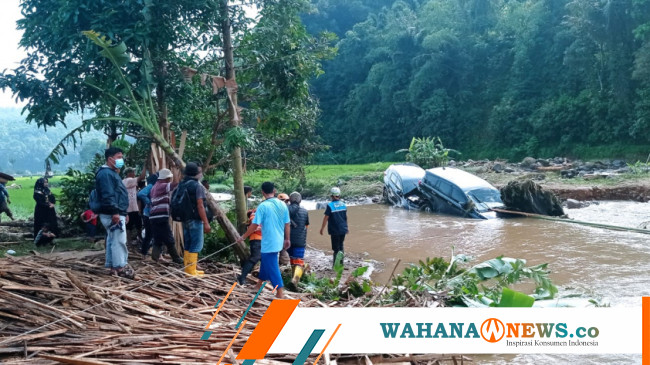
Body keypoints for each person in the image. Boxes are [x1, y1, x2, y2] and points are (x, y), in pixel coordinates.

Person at [237, 181, 290, 299]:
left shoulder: (263, 206)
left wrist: (243, 236)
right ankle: (258, 285)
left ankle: (280, 292)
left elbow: (254, 225)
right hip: (279, 240)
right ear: (274, 191)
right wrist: (287, 239)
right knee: (266, 264)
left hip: (268, 242)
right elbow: (287, 223)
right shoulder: (283, 204)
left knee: (272, 267)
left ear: (262, 192)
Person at [96, 147, 133, 279]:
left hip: (115, 212)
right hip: (112, 213)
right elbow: (109, 195)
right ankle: (120, 266)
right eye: (118, 157)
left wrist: (123, 212)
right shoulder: (106, 174)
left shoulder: (110, 173)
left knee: (113, 240)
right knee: (119, 240)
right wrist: (115, 212)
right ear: (110, 159)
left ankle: (113, 267)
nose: (121, 160)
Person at [178, 162, 211, 276]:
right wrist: (206, 222)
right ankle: (191, 271)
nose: (201, 174)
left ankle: (188, 269)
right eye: (200, 172)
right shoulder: (197, 186)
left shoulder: (182, 184)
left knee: (188, 243)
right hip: (195, 219)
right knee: (196, 244)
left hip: (184, 218)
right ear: (196, 173)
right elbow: (200, 205)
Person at [149, 168, 184, 264]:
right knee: (169, 237)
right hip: (160, 216)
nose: (170, 180)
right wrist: (175, 170)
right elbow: (175, 184)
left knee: (158, 238)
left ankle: (155, 256)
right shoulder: (162, 186)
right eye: (169, 178)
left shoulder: (154, 187)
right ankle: (176, 258)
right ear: (166, 178)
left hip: (153, 216)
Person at [320, 187, 349, 267]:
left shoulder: (330, 206)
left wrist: (322, 229)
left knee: (336, 248)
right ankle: (341, 263)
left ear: (332, 196)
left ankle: (335, 265)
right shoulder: (343, 205)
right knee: (341, 245)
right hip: (343, 229)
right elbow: (345, 217)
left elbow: (326, 218)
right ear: (339, 195)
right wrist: (347, 228)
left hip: (335, 230)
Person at [237, 207, 262, 285]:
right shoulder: (254, 217)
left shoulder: (256, 216)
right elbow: (254, 227)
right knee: (254, 258)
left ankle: (262, 279)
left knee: (262, 259)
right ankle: (242, 277)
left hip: (261, 240)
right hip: (256, 240)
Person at [288, 192, 309, 284]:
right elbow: (306, 225)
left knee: (292, 259)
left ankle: (293, 276)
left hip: (288, 240)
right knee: (299, 261)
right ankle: (295, 279)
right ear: (300, 200)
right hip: (300, 240)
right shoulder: (304, 211)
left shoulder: (286, 210)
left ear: (290, 200)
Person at [137, 173, 159, 258]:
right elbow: (140, 194)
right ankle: (150, 254)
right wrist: (149, 202)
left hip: (148, 214)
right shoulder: (151, 186)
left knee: (149, 235)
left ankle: (144, 253)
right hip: (150, 214)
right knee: (152, 235)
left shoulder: (154, 185)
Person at [122, 167, 146, 244]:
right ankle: (139, 239)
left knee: (128, 226)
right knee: (138, 224)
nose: (134, 174)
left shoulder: (123, 181)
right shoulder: (129, 180)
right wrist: (145, 166)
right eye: (133, 172)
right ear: (129, 173)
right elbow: (142, 177)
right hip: (133, 207)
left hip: (127, 208)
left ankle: (129, 242)